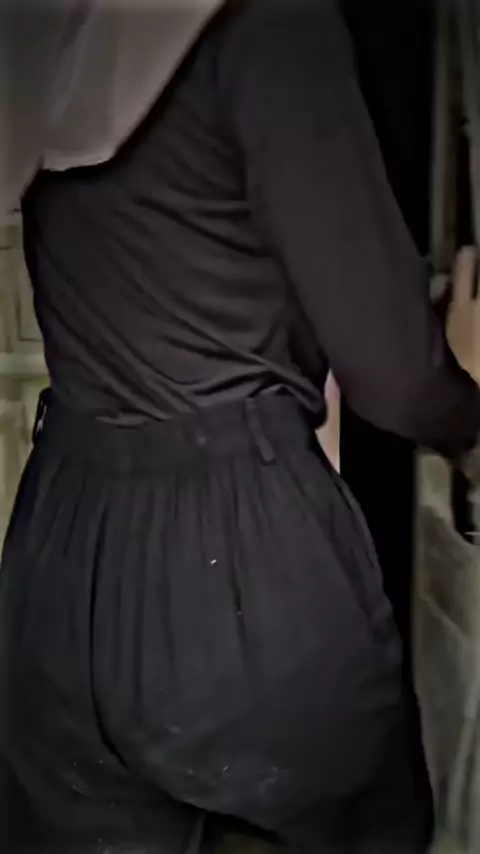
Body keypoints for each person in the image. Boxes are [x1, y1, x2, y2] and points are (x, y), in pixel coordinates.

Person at [1, 1, 479, 852]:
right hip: (238, 559)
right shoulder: (270, 24)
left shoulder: (58, 29)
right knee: (367, 827)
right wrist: (467, 403)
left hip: (58, 550)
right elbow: (395, 380)